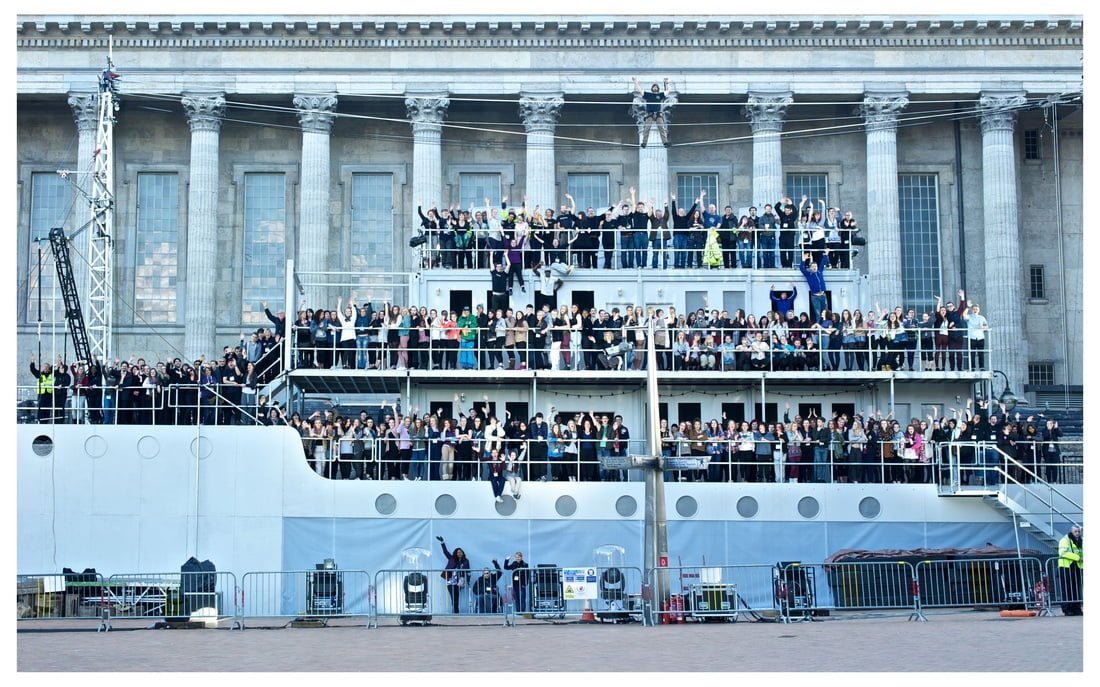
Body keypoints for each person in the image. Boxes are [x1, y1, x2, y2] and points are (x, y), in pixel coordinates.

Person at [632, 76, 672, 147]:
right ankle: (644, 143)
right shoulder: (648, 95)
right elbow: (639, 89)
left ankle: (665, 142)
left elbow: (669, 90)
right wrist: (635, 81)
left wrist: (667, 82)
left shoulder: (660, 95)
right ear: (652, 88)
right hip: (650, 114)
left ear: (658, 89)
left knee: (661, 128)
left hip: (658, 114)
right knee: (647, 128)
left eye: (656, 87)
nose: (655, 88)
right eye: (654, 87)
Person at [437, 536, 470, 614]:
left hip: (459, 581)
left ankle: (455, 611)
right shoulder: (451, 558)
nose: (459, 553)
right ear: (456, 553)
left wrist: (468, 580)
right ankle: (455, 611)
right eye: (458, 552)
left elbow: (468, 571)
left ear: (463, 553)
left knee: (456, 597)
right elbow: (445, 551)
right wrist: (442, 542)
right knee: (453, 597)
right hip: (451, 581)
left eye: (461, 552)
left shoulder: (465, 561)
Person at [1057, 525, 1083, 617]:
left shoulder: (1080, 540)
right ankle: (1067, 609)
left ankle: (1076, 608)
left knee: (1076, 589)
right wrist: (1078, 558)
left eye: (1079, 531)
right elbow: (1062, 552)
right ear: (1071, 531)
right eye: (1075, 531)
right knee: (1066, 589)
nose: (1077, 533)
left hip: (1077, 567)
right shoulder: (1065, 540)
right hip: (1066, 567)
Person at [798, 251, 830, 321]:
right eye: (813, 266)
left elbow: (822, 263)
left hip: (823, 295)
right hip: (815, 297)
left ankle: (826, 325)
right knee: (818, 314)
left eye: (815, 266)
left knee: (825, 313)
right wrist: (803, 260)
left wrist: (826, 254)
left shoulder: (820, 271)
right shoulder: (808, 274)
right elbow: (801, 268)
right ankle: (818, 329)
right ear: (810, 268)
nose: (814, 268)